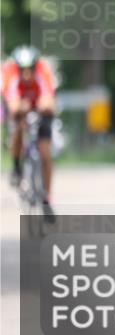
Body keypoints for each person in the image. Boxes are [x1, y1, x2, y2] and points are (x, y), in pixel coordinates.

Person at [2, 45, 57, 222]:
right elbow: (13, 105)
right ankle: (17, 166)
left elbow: (48, 100)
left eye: (30, 70)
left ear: (35, 67)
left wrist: (42, 106)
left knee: (45, 154)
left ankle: (46, 199)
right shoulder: (11, 74)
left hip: (40, 111)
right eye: (22, 70)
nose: (26, 74)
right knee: (17, 128)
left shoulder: (43, 71)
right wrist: (21, 108)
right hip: (20, 109)